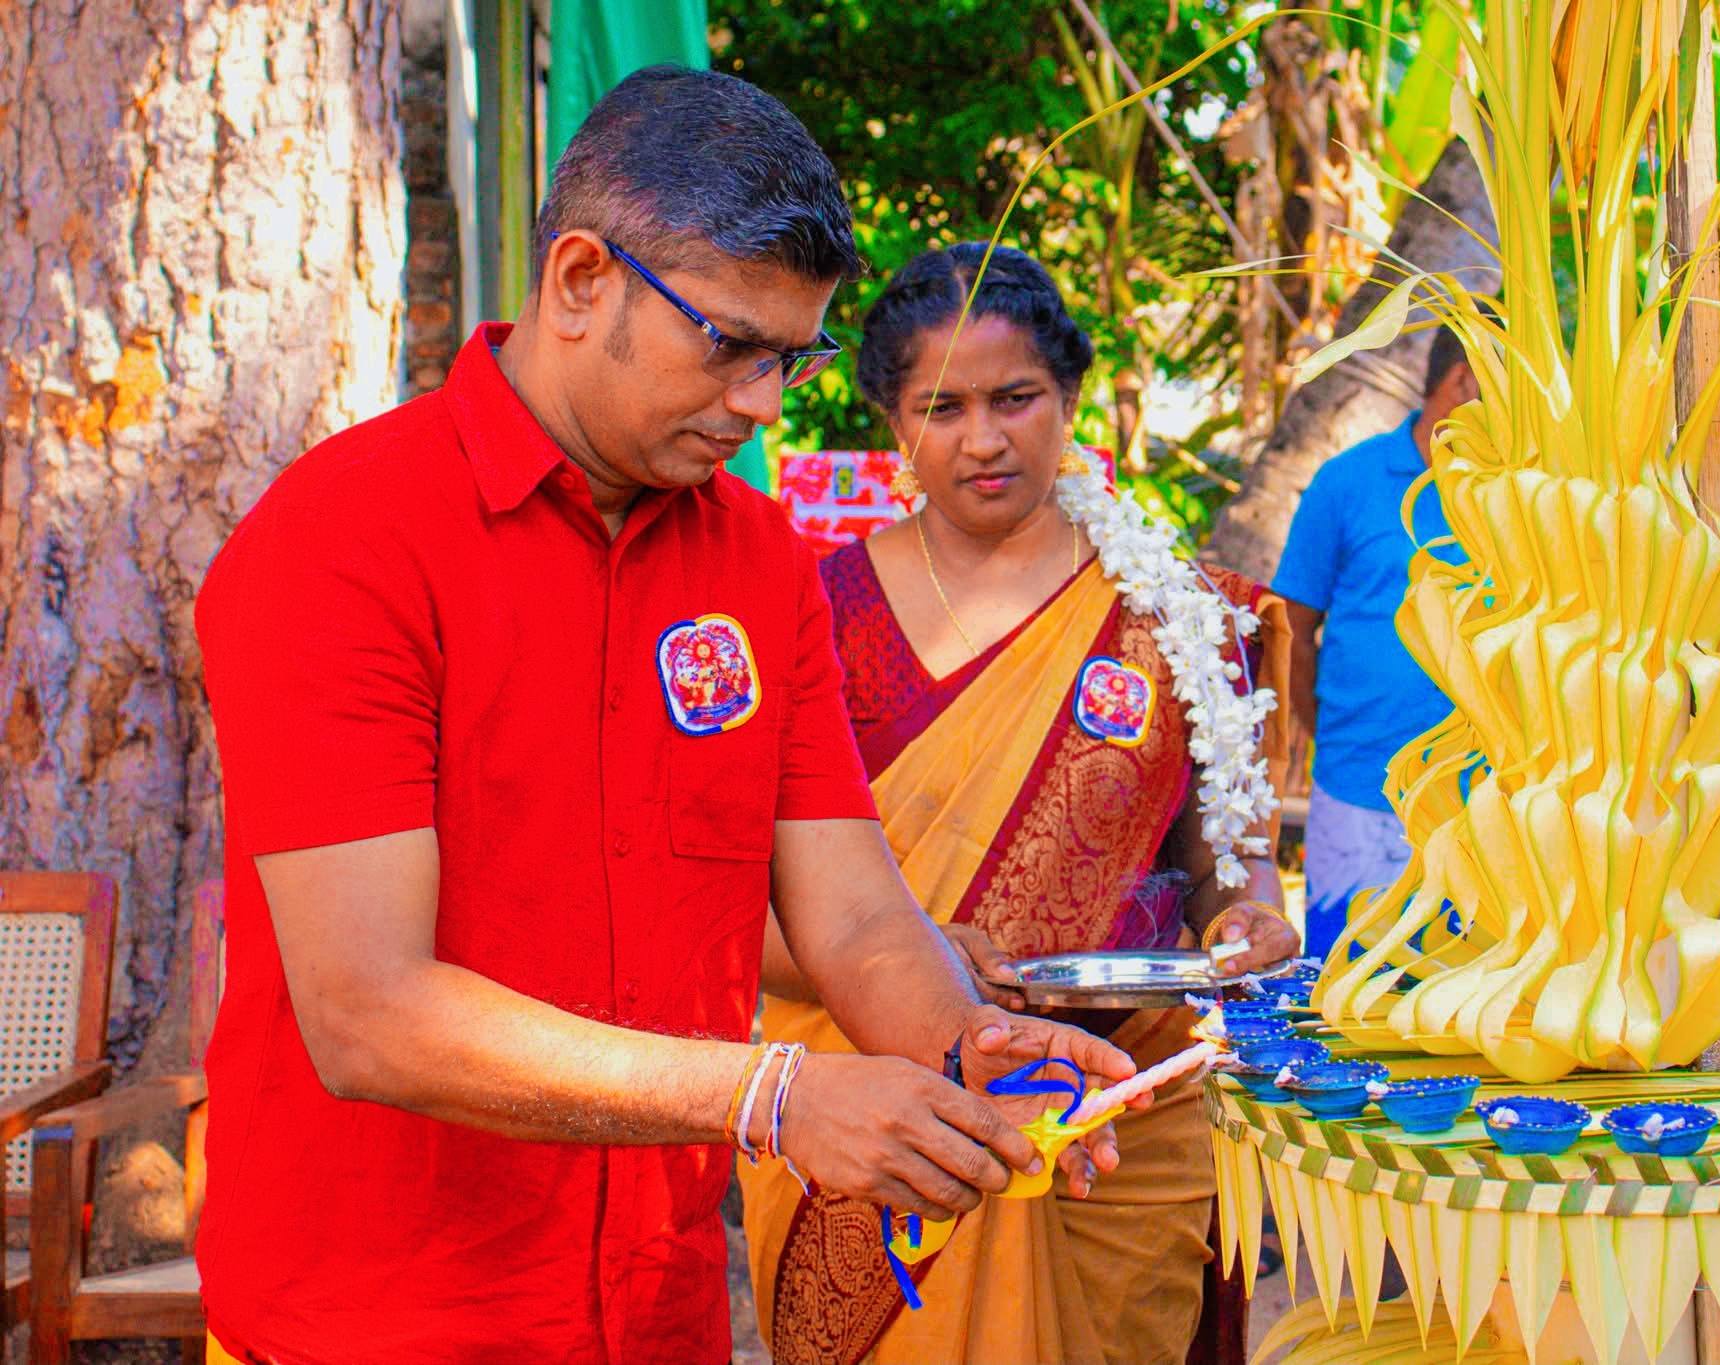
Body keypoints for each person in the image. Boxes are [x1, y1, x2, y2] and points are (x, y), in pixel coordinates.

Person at [192, 70, 1135, 1365]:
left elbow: (855, 915)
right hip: (376, 1319)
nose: (763, 404)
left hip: (657, 1307)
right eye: (730, 345)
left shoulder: (757, 559)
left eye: (790, 358)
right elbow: (368, 1012)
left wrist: (968, 1048)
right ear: (582, 281)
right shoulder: (343, 540)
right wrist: (771, 1092)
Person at [738, 243, 1301, 1365]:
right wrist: (912, 969)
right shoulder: (807, 613)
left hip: (1120, 1124)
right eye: (940, 408)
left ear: (1070, 396)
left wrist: (1249, 915)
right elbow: (740, 902)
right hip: (878, 1120)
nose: (983, 439)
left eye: (1015, 398)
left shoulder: (1172, 615)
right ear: (891, 421)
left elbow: (1220, 865)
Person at [1273, 323, 1478, 958]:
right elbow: (1290, 629)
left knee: (1469, 991)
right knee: (1346, 982)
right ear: (1462, 380)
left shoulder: (1520, 494)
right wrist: (1331, 729)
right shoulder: (1347, 482)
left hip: (1486, 808)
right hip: (1359, 792)